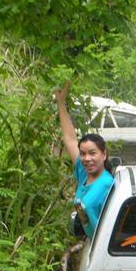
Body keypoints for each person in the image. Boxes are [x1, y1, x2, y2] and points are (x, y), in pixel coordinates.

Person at [54, 81, 114, 239]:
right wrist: (61, 103)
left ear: (104, 154)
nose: (87, 159)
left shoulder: (106, 183)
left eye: (93, 153)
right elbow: (70, 139)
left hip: (101, 244)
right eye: (83, 154)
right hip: (89, 242)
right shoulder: (83, 171)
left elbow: (87, 207)